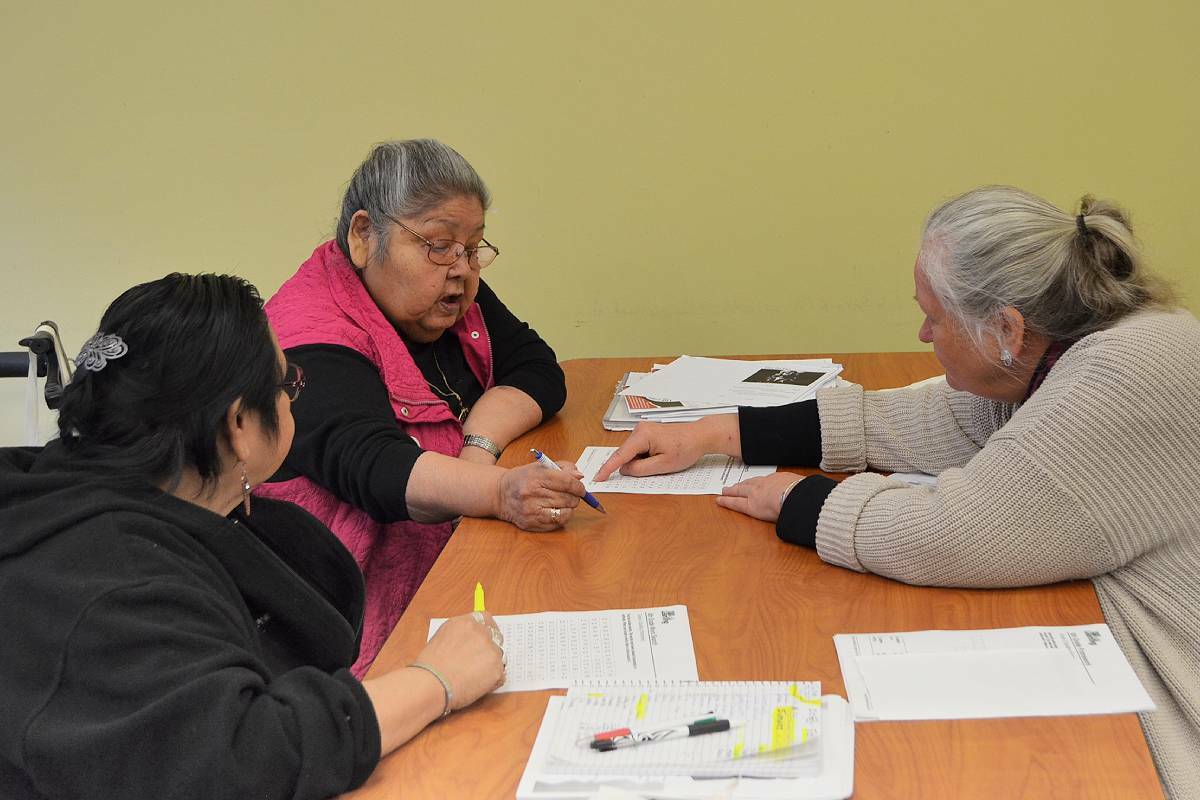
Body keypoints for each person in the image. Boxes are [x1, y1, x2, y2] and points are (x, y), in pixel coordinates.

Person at [596, 186, 1200, 798]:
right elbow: (939, 418)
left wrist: (798, 501)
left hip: (1172, 702)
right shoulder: (1079, 349)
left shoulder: (1128, 375)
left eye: (935, 317)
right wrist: (722, 432)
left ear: (1006, 330)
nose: (922, 334)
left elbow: (954, 536)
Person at [0, 274, 504, 799]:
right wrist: (437, 680)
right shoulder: (111, 580)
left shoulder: (139, 502)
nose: (292, 400)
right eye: (287, 385)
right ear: (239, 424)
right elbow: (246, 760)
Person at [258, 139, 584, 675]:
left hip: (458, 568)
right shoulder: (309, 332)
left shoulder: (443, 293)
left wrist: (478, 448)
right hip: (351, 627)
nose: (461, 269)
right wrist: (499, 491)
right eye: (438, 244)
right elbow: (376, 467)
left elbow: (538, 369)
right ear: (364, 237)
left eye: (473, 247)